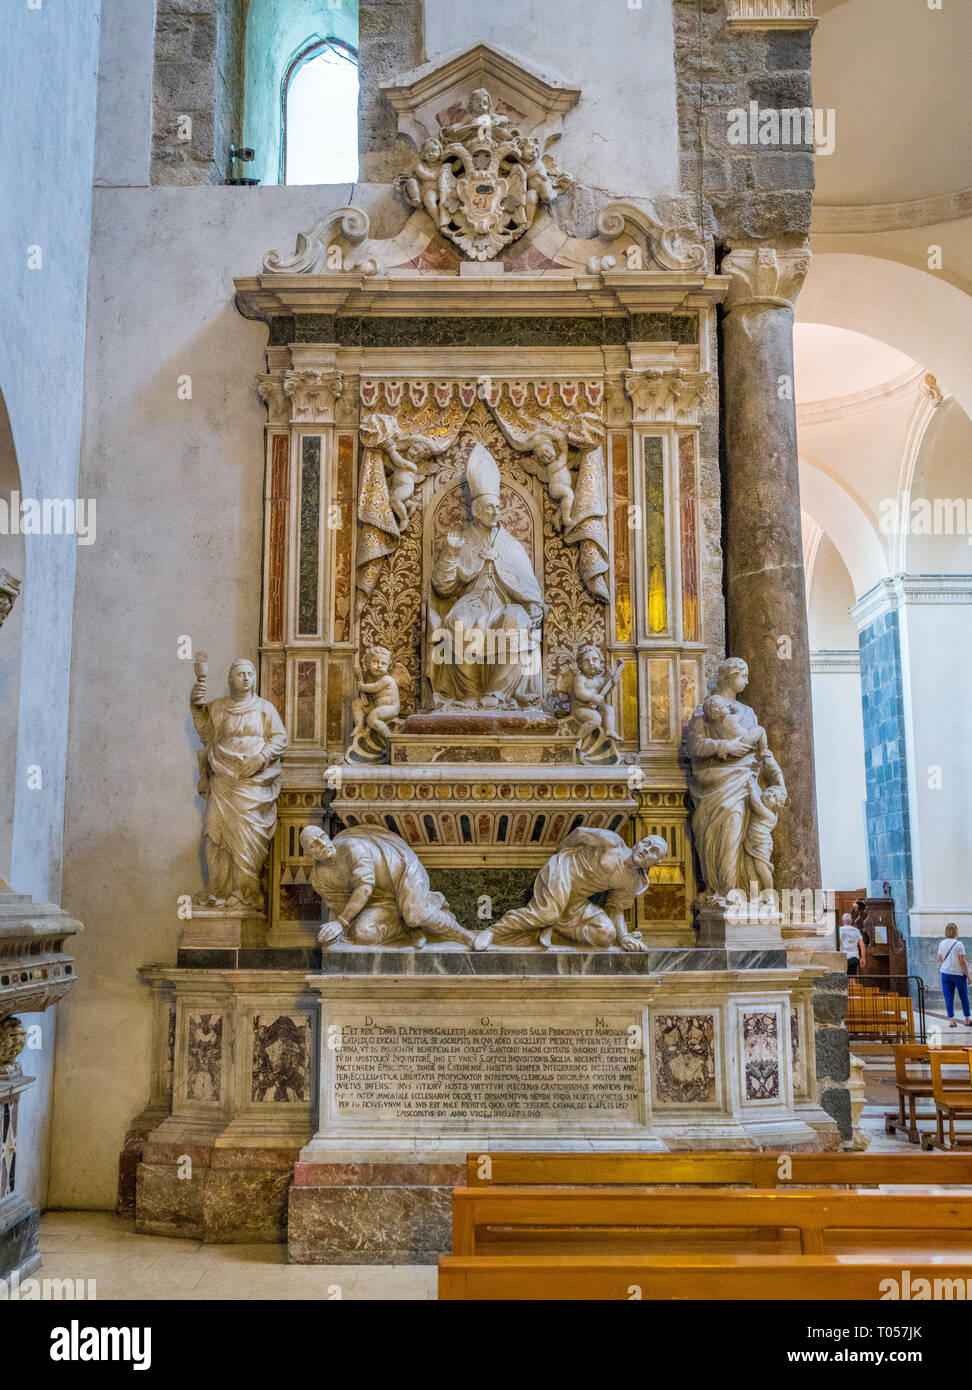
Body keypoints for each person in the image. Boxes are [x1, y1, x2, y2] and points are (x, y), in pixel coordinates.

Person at [937, 922, 972, 1028]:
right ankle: (967, 1020)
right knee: (963, 996)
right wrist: (968, 976)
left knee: (948, 997)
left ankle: (951, 1021)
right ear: (956, 931)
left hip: (945, 973)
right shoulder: (959, 944)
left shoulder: (942, 943)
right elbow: (962, 962)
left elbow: (940, 959)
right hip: (958, 974)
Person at [838, 911, 866, 977]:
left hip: (843, 956)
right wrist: (863, 957)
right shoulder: (856, 930)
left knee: (842, 976)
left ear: (842, 921)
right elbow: (861, 944)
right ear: (851, 921)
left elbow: (838, 943)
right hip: (854, 957)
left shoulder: (839, 930)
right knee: (852, 978)